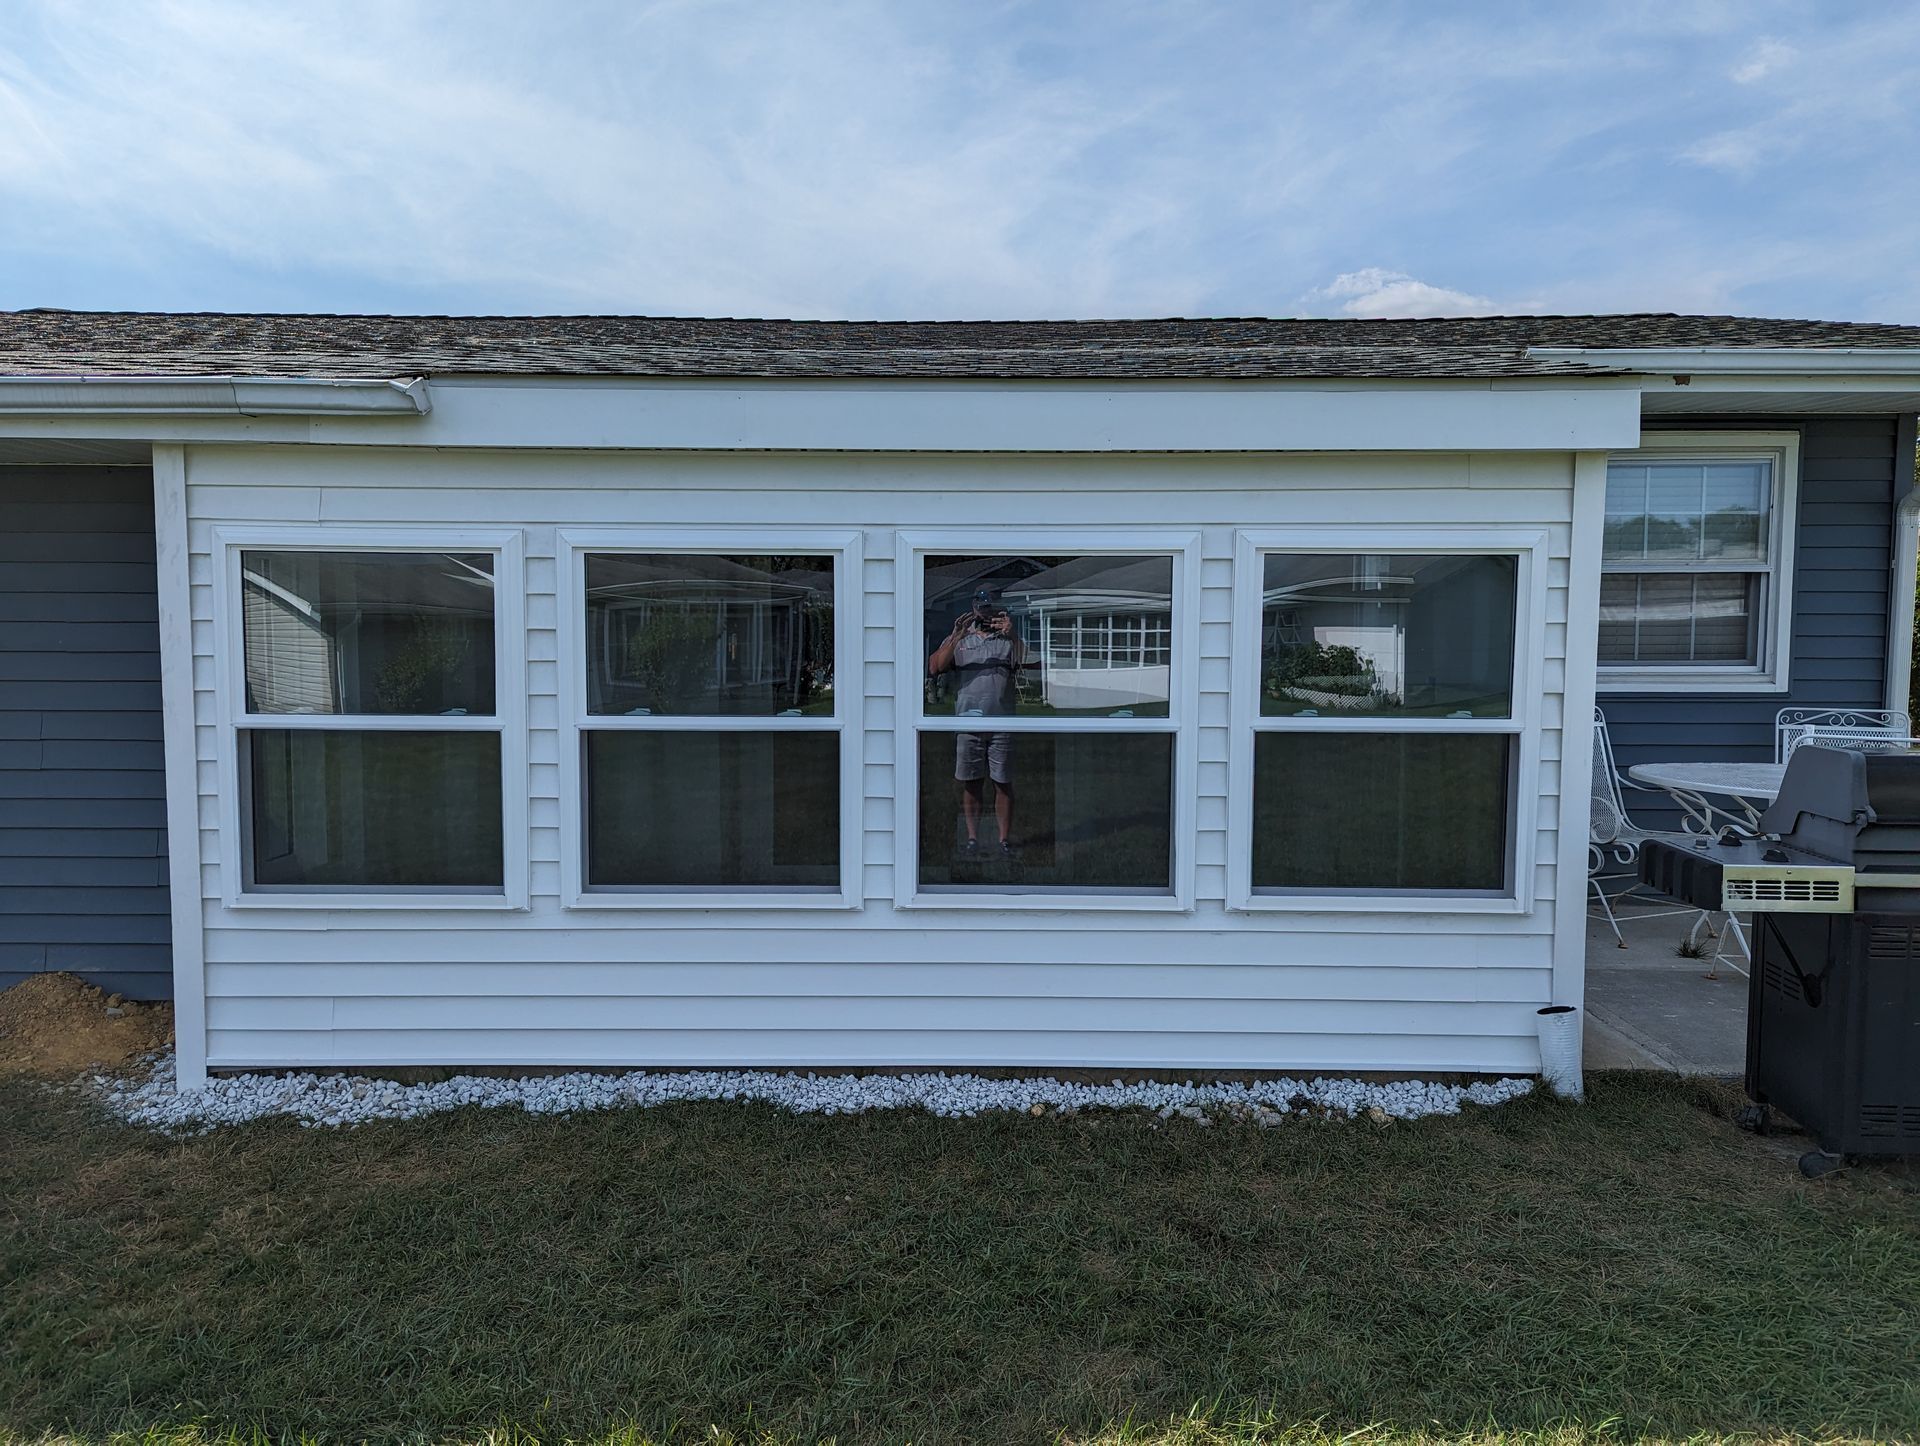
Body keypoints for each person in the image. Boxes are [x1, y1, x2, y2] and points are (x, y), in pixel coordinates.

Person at [927, 586, 1024, 858]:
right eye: (979, 607)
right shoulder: (961, 638)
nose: (984, 612)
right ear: (972, 608)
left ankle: (1003, 839)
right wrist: (958, 634)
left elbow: (1027, 663)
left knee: (1002, 782)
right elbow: (935, 667)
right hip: (968, 721)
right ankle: (972, 838)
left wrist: (1013, 634)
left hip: (1003, 722)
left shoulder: (1007, 639)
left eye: (989, 607)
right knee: (971, 782)